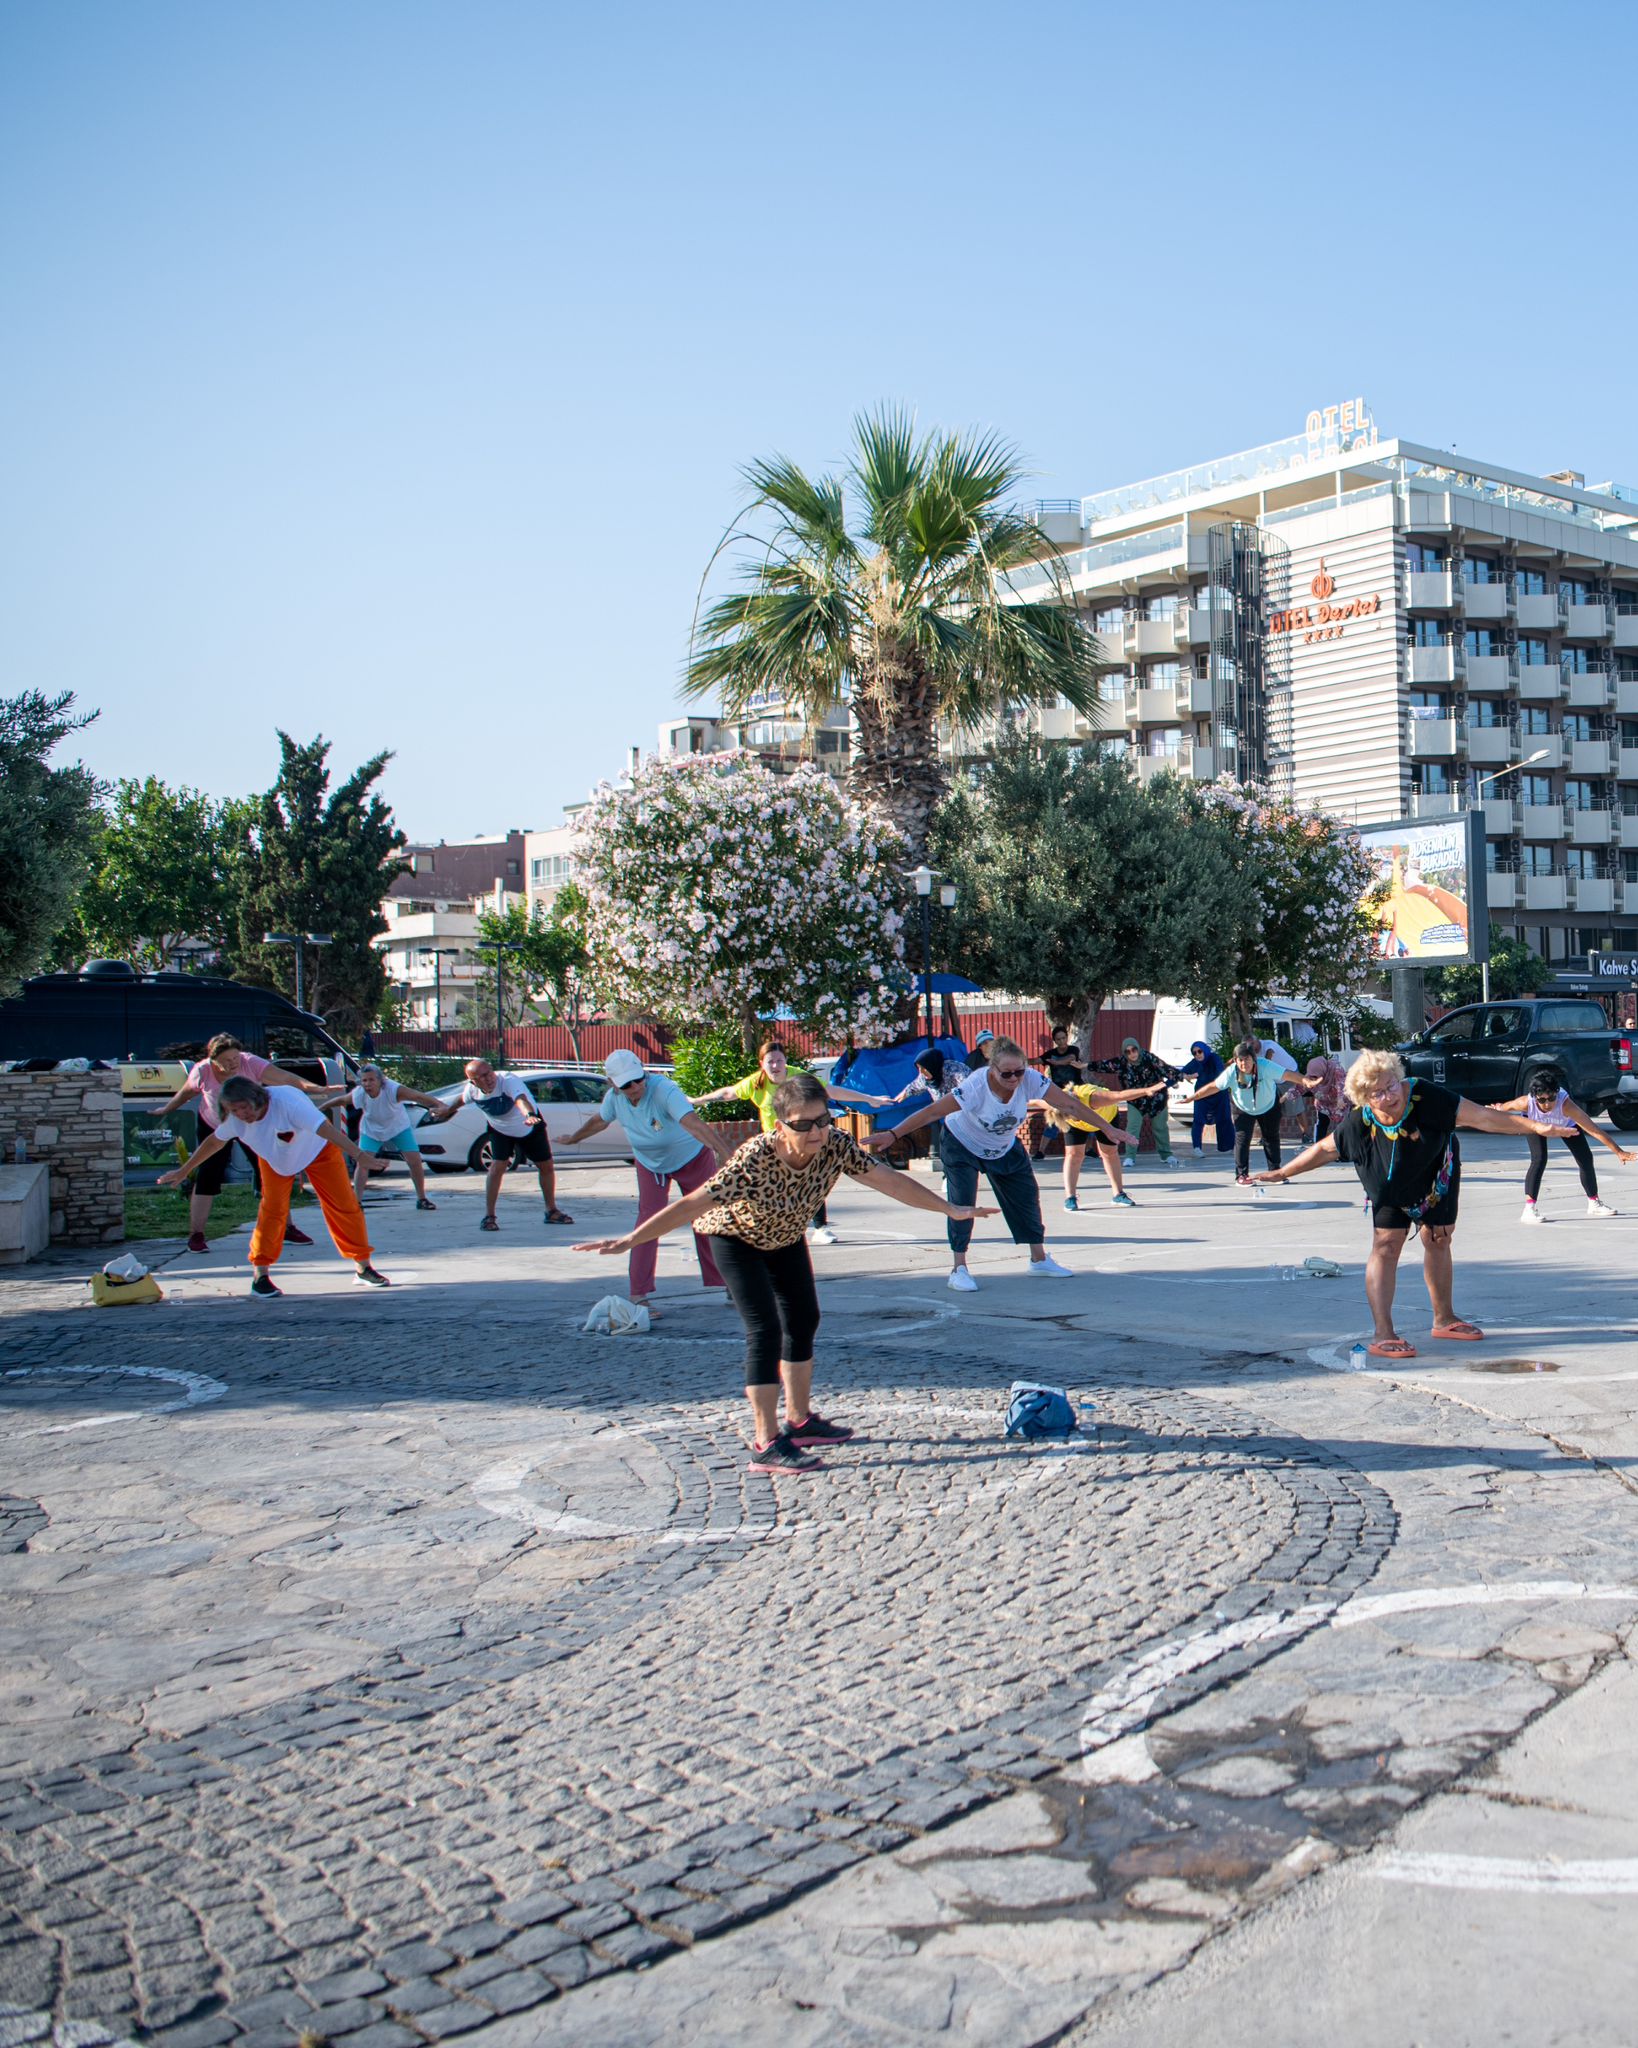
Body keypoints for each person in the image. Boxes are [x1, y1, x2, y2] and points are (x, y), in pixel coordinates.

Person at [573, 1072, 997, 1473]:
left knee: (804, 1319)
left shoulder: (835, 1145)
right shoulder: (755, 1158)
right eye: (803, 1125)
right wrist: (630, 1241)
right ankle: (766, 1441)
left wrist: (950, 1209)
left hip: (785, 1237)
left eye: (823, 1120)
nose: (815, 1132)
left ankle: (799, 1420)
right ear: (781, 1125)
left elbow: (888, 1180)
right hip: (736, 1239)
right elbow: (692, 1204)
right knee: (765, 1329)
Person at [1251, 1048, 1543, 1358]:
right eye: (1378, 1093)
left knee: (1439, 1238)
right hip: (1388, 1183)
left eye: (1391, 1085)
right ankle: (1383, 1332)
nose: (1390, 1096)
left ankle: (1444, 1319)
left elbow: (1483, 1117)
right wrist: (1282, 1172)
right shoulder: (1359, 1123)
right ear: (1365, 1099)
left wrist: (1536, 1126)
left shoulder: (1425, 1096)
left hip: (1435, 1176)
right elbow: (1324, 1149)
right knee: (1387, 1245)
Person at [867, 1034, 1151, 1290]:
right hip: (961, 1143)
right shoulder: (976, 1085)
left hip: (1002, 1145)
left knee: (1027, 1196)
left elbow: (1071, 1104)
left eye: (1019, 1071)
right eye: (1007, 1073)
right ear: (992, 1069)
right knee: (962, 1203)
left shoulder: (1031, 1079)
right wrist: (894, 1134)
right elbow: (931, 1112)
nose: (1014, 1078)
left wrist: (1109, 1128)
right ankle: (959, 1268)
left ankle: (1038, 1260)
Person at [157, 1076, 388, 1298]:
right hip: (274, 1159)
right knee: (272, 1210)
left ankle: (363, 1267)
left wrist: (359, 1155)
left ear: (257, 1098)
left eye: (244, 1108)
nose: (241, 1114)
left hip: (318, 1151)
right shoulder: (236, 1120)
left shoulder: (287, 1103)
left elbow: (326, 1130)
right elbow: (214, 1142)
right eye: (234, 1110)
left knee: (343, 1204)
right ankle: (260, 1276)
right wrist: (184, 1170)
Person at [557, 1049, 734, 1310]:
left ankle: (732, 1282)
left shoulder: (664, 1090)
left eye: (638, 1079)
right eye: (626, 1084)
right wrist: (574, 1138)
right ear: (613, 1084)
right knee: (648, 1224)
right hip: (651, 1164)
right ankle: (638, 1294)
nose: (635, 1087)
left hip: (692, 1158)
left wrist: (724, 1153)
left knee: (709, 1219)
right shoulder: (614, 1099)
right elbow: (598, 1122)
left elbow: (693, 1123)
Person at [692, 1039, 889, 1245]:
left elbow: (830, 1091)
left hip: (801, 1139)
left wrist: (868, 1098)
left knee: (811, 1180)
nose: (775, 1066)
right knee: (767, 1186)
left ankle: (820, 1227)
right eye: (770, 1062)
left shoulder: (799, 1078)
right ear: (762, 1064)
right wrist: (698, 1101)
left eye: (779, 1061)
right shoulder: (756, 1082)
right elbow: (728, 1093)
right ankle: (764, 1227)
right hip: (773, 1145)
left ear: (786, 1061)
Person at [149, 1034, 323, 1253]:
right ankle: (196, 1235)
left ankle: (287, 1227)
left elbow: (285, 1077)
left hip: (251, 1124)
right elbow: (185, 1094)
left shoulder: (249, 1062)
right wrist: (166, 1109)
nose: (233, 1063)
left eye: (235, 1058)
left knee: (270, 1171)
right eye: (227, 1060)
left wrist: (316, 1088)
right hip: (214, 1124)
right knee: (208, 1176)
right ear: (213, 1060)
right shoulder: (203, 1071)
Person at [1497, 1071, 1632, 1223]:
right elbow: (1506, 1107)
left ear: (1557, 1093)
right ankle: (1529, 1209)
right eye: (1542, 1100)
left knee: (1585, 1159)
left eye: (1551, 1098)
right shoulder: (1525, 1103)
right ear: (1535, 1097)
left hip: (1565, 1125)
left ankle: (1594, 1203)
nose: (1547, 1104)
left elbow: (1593, 1129)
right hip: (1537, 1125)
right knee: (1539, 1159)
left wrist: (1618, 1151)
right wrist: (1497, 1109)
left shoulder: (1567, 1105)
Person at [460, 1058, 573, 1232]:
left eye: (489, 1072)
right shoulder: (472, 1091)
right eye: (482, 1076)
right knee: (497, 1167)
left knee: (546, 1166)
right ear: (473, 1082)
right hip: (500, 1129)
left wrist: (528, 1114)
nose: (489, 1078)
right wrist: (444, 1111)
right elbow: (459, 1102)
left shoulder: (507, 1080)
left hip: (528, 1125)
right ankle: (489, 1216)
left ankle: (551, 1211)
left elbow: (520, 1099)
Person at [337, 1064, 457, 1210]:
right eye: (364, 1081)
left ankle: (422, 1199)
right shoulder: (359, 1093)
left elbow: (418, 1096)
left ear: (381, 1081)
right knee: (363, 1163)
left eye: (371, 1080)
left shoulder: (393, 1089)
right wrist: (321, 1108)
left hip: (398, 1127)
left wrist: (440, 1104)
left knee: (415, 1161)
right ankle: (356, 1202)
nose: (368, 1084)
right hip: (371, 1130)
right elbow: (342, 1100)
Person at [1188, 1037, 1300, 1185]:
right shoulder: (1231, 1072)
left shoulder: (1265, 1065)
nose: (1243, 1064)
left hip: (1268, 1104)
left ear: (1253, 1059)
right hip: (1243, 1107)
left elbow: (1288, 1074)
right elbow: (1214, 1086)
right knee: (1242, 1139)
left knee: (1271, 1137)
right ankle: (1241, 1175)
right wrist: (1193, 1097)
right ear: (1235, 1060)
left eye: (1246, 1060)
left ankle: (1275, 1172)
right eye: (1239, 1060)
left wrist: (1306, 1080)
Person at [1039, 1081, 1142, 1210]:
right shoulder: (1058, 1104)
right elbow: (1032, 1101)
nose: (1076, 1117)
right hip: (1077, 1127)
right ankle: (1070, 1197)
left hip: (1105, 1118)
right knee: (1073, 1155)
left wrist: (1148, 1090)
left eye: (1074, 1115)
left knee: (1109, 1153)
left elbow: (1120, 1095)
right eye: (1072, 1117)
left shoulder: (1093, 1098)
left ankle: (1118, 1194)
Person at [1086, 1036, 1183, 1168]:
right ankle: (1130, 1157)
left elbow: (1165, 1068)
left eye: (1134, 1050)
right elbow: (1104, 1065)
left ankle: (1166, 1155)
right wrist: (1085, 1065)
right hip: (1135, 1101)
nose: (1132, 1053)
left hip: (1156, 1099)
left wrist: (1183, 1075)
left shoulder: (1149, 1058)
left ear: (1138, 1048)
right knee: (1133, 1127)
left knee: (1160, 1127)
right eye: (1128, 1051)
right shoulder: (1121, 1063)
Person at [887, 1047, 968, 1169]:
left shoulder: (954, 1070)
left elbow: (968, 1086)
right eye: (918, 1068)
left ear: (932, 1065)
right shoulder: (925, 1078)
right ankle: (949, 1174)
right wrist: (903, 1095)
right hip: (948, 1118)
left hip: (966, 1116)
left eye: (923, 1068)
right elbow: (914, 1086)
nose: (921, 1072)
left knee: (962, 1147)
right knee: (948, 1146)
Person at [1032, 1025, 1084, 1158]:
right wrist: (1019, 1061)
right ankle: (1041, 1151)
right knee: (1053, 1118)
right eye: (1058, 1039)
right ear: (1055, 1041)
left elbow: (1070, 1058)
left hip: (1076, 1090)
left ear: (1067, 1037)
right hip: (1059, 1092)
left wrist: (1056, 1063)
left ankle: (1089, 1149)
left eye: (1063, 1038)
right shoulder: (1051, 1054)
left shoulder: (1073, 1049)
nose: (1062, 1041)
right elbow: (1037, 1060)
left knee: (1085, 1117)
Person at [1177, 1041, 1234, 1156]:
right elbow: (1179, 1073)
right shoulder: (1194, 1063)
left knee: (1224, 1119)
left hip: (1218, 1092)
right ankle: (1197, 1147)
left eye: (1200, 1051)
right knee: (1198, 1120)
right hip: (1202, 1094)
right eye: (1194, 1053)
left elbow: (1220, 1073)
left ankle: (1227, 1146)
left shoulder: (1214, 1058)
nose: (1198, 1054)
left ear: (1205, 1050)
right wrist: (1187, 1076)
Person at [1299, 1052, 1349, 1145]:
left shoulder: (1335, 1069)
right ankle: (1318, 1147)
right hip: (1322, 1103)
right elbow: (1302, 1086)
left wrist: (1341, 1099)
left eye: (1316, 1076)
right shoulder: (1311, 1074)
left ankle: (1342, 1150)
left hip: (1338, 1101)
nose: (1314, 1078)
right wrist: (1288, 1095)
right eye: (1312, 1076)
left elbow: (1341, 1084)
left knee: (1342, 1125)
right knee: (1322, 1123)